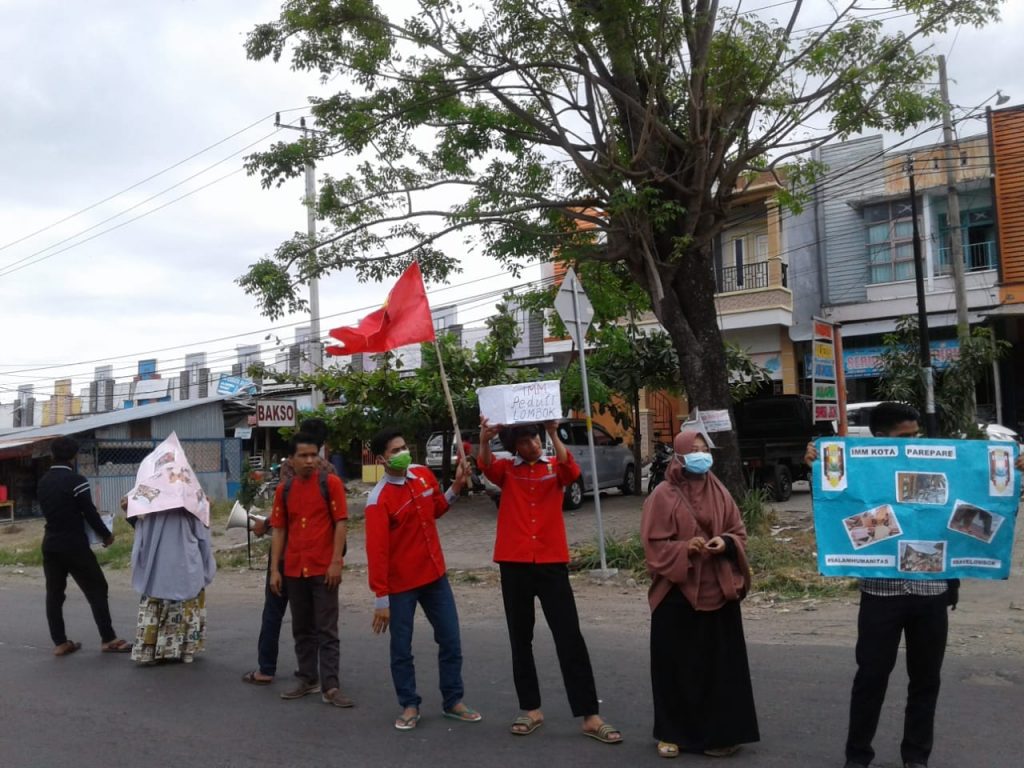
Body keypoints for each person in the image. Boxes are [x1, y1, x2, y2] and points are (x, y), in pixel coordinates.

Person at [804, 401, 1024, 768]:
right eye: (904, 437)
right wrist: (813, 460)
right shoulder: (864, 466)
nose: (912, 442)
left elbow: (988, 504)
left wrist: (1014, 472)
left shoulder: (940, 464)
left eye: (915, 435)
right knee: (871, 679)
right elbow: (834, 497)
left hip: (932, 596)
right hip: (881, 596)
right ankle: (857, 757)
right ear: (879, 439)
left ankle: (916, 757)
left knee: (926, 682)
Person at [478, 418, 622, 745]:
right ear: (514, 446)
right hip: (514, 563)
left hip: (551, 562)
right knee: (520, 637)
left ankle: (589, 715)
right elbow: (485, 466)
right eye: (525, 441)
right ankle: (531, 709)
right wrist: (486, 439)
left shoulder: (553, 466)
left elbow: (571, 473)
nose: (531, 445)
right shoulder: (507, 470)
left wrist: (555, 433)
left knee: (569, 636)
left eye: (535, 439)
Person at [641, 429, 759, 759]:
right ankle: (671, 733)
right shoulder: (662, 496)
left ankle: (720, 735)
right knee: (674, 667)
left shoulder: (720, 492)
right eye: (692, 449)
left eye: (703, 448)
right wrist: (684, 548)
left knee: (719, 668)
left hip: (718, 589)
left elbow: (738, 532)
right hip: (676, 593)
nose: (700, 454)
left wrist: (726, 543)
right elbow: (654, 545)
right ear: (678, 456)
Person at [364, 427, 482, 730]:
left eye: (404, 447)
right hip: (401, 586)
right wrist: (381, 599)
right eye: (395, 451)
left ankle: (453, 700)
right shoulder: (378, 500)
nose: (403, 453)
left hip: (435, 576)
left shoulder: (422, 476)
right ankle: (409, 704)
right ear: (381, 459)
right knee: (402, 648)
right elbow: (377, 553)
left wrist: (455, 486)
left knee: (451, 639)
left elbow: (437, 509)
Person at [242, 418, 338, 686]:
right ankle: (316, 675)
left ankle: (267, 668)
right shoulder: (330, 471)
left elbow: (287, 513)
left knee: (276, 611)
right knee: (317, 620)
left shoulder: (291, 466)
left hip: (288, 555)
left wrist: (265, 525)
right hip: (318, 556)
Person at [269, 431, 352, 707]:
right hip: (294, 569)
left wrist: (335, 563)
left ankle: (331, 685)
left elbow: (341, 522)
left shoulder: (332, 483)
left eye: (313, 455)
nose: (309, 460)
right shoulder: (285, 490)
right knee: (302, 628)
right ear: (290, 460)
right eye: (302, 456)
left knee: (327, 629)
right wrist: (275, 570)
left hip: (323, 569)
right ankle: (307, 678)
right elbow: (279, 530)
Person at [125, 434, 217, 665]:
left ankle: (149, 651)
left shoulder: (147, 495)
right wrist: (207, 564)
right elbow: (202, 533)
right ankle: (181, 650)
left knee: (155, 603)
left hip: (156, 563)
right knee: (185, 603)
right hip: (186, 562)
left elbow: (137, 525)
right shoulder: (190, 495)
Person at [38, 436, 131, 656]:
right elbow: (89, 512)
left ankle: (60, 642)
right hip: (74, 545)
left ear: (52, 455)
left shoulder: (43, 482)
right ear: (74, 456)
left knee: (54, 594)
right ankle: (108, 638)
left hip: (50, 544)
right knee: (97, 587)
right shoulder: (76, 480)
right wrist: (106, 535)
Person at [129, 507, 216, 665]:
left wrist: (131, 514)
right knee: (187, 606)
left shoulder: (152, 507)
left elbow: (142, 537)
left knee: (156, 603)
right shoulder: (190, 505)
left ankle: (151, 652)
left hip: (157, 568)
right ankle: (185, 651)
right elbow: (203, 537)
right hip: (186, 567)